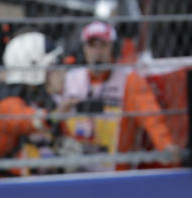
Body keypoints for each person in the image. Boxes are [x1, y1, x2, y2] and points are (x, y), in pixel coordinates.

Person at [59, 21, 179, 171]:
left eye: (103, 45)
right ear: (84, 49)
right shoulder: (71, 79)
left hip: (117, 173)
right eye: (92, 46)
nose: (97, 52)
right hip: (77, 170)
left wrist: (165, 144)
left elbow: (151, 117)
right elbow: (54, 120)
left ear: (113, 48)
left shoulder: (129, 80)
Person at [0, 31, 65, 175]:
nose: (61, 72)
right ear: (35, 67)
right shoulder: (7, 104)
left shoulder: (43, 101)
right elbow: (27, 120)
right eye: (53, 65)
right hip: (11, 187)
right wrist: (57, 116)